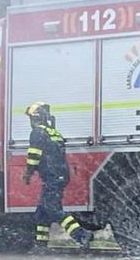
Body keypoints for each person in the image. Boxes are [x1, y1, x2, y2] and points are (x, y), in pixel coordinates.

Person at [22, 101, 92, 251]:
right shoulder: (53, 132)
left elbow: (34, 156)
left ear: (36, 118)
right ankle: (41, 245)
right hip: (58, 175)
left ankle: (81, 235)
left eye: (32, 118)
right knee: (42, 212)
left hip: (53, 177)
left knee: (52, 208)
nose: (31, 122)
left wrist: (28, 173)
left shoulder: (37, 132)